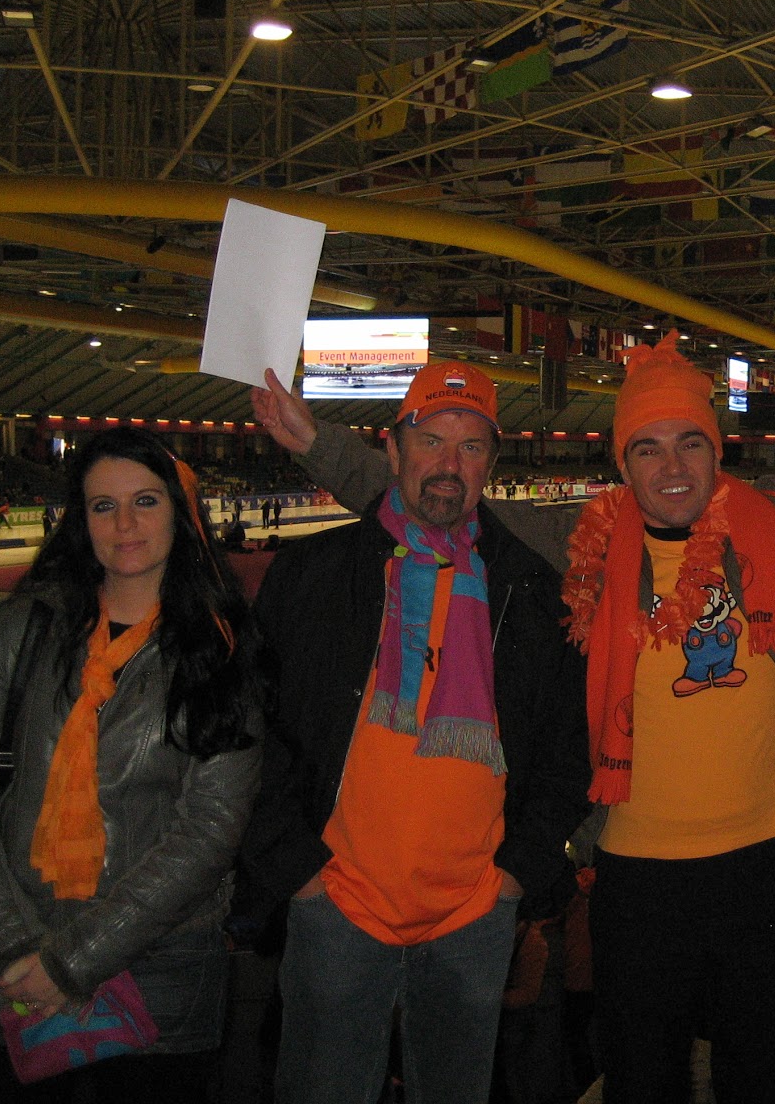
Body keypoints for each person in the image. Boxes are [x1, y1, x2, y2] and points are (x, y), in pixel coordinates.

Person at [254, 337, 775, 1104]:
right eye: (647, 447)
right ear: (622, 460)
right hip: (635, 878)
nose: (671, 466)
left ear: (717, 449)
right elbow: (437, 496)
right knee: (644, 1083)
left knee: (766, 1082)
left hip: (766, 868)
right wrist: (315, 442)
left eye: (690, 442)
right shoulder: (577, 538)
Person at [234, 361, 591, 1104]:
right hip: (337, 905)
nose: (448, 465)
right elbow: (249, 730)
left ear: (490, 465)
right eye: (430, 441)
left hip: (474, 914)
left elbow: (566, 752)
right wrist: (297, 869)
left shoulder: (532, 592)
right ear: (392, 450)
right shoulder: (314, 574)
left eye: (470, 447)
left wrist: (514, 875)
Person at [0, 428, 266, 1103]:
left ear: (181, 512)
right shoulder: (25, 626)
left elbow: (209, 831)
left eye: (145, 501)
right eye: (103, 506)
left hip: (158, 975)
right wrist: (18, 947)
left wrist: (70, 963)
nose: (125, 524)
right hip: (9, 967)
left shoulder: (225, 650)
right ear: (81, 522)